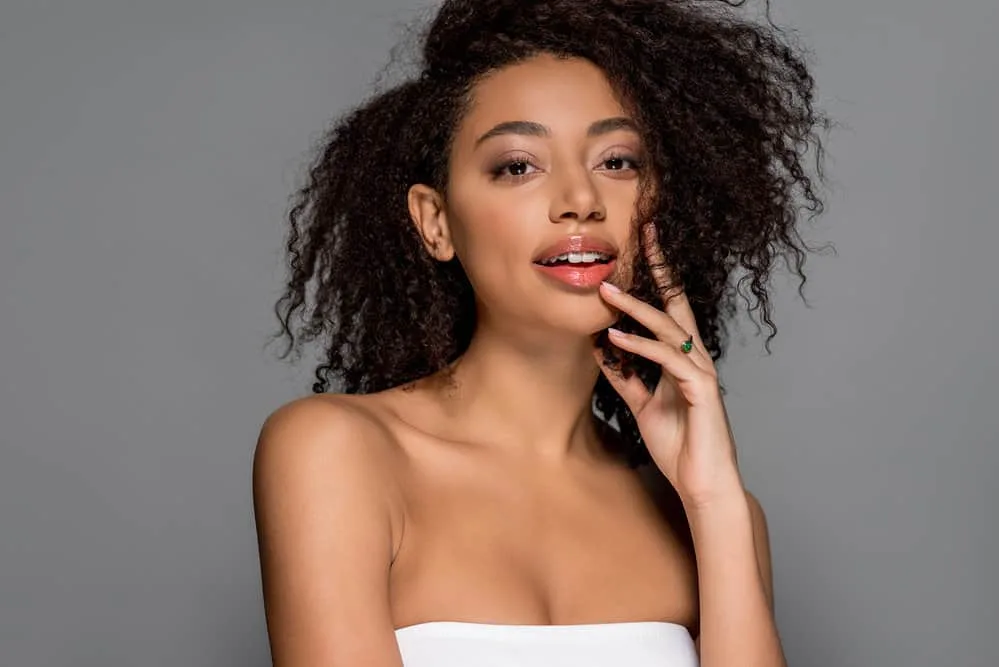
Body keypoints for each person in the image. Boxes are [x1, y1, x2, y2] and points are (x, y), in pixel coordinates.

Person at [252, 0, 828, 665]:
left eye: (617, 161)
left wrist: (715, 500)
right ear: (435, 221)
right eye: (517, 165)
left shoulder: (712, 512)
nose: (580, 199)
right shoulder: (335, 452)